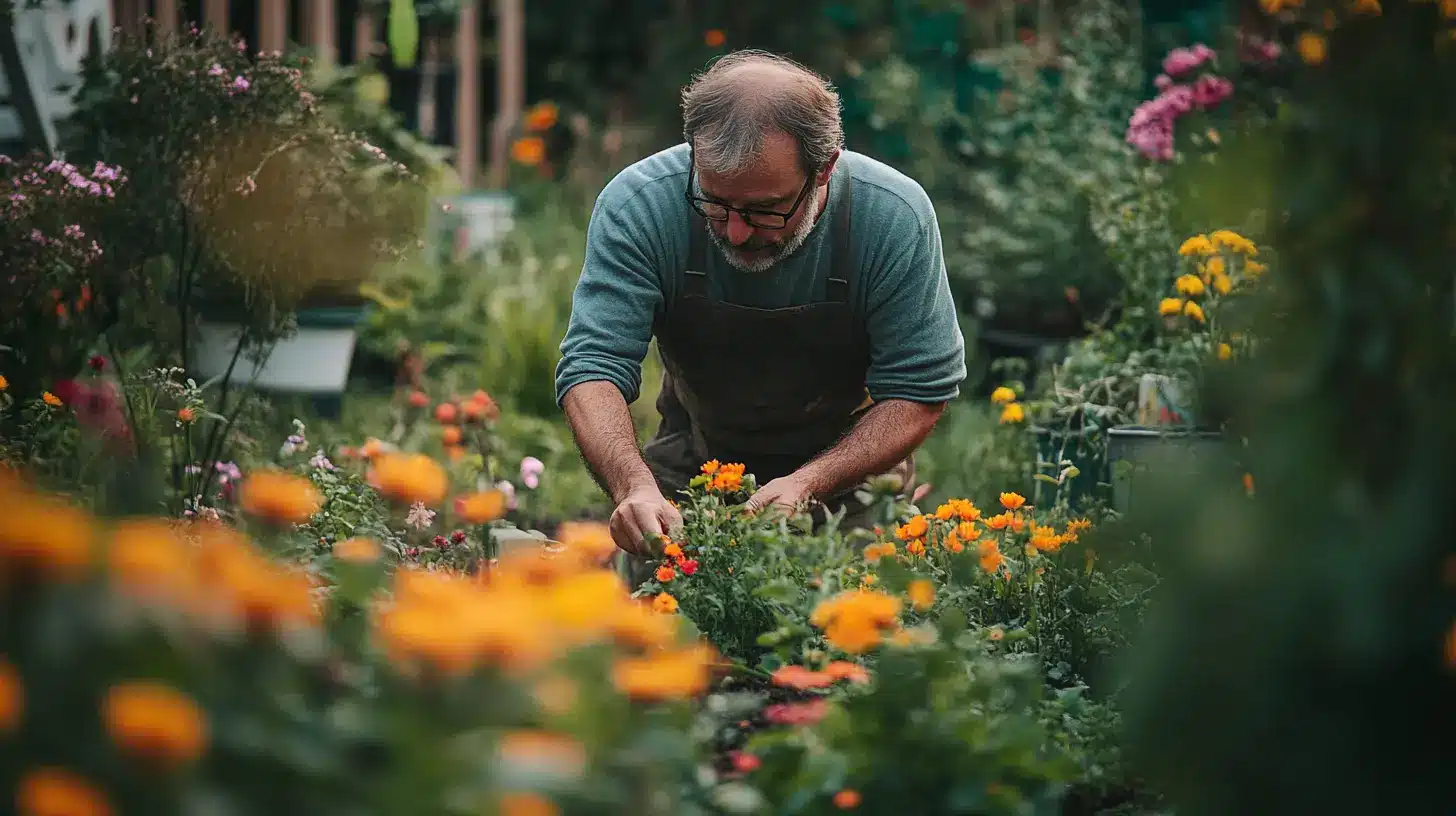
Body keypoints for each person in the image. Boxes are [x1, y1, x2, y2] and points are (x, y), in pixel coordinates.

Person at [554, 49, 966, 567]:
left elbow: (919, 390)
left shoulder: (891, 217)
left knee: (852, 632)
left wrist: (809, 483)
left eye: (765, 210)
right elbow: (593, 367)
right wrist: (633, 487)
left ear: (824, 170)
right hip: (691, 474)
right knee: (663, 636)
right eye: (715, 203)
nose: (735, 231)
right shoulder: (641, 206)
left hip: (852, 484)